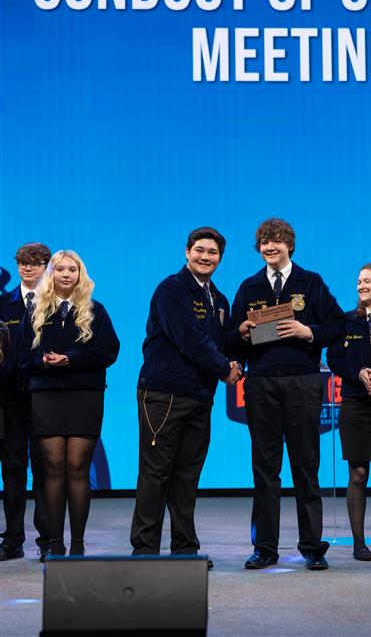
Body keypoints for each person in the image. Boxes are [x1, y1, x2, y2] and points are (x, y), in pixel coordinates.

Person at [231, 218, 345, 570]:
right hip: (261, 383)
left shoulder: (310, 282)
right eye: (264, 242)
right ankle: (264, 548)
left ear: (289, 245)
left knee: (305, 465)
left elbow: (337, 325)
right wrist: (242, 331)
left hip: (302, 382)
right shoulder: (249, 286)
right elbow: (230, 339)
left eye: (277, 241)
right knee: (264, 469)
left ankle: (312, 547)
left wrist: (307, 331)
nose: (270, 246)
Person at [130, 227, 241, 566]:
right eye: (200, 250)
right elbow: (189, 338)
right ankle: (144, 552)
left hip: (199, 397)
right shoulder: (172, 289)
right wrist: (224, 369)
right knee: (156, 474)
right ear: (187, 252)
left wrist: (241, 337)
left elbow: (220, 342)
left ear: (220, 258)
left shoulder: (219, 299)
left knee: (187, 477)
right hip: (164, 395)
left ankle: (185, 550)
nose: (205, 257)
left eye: (212, 252)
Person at [15, 250, 119, 558]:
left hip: (84, 397)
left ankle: (77, 545)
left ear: (80, 274)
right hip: (46, 397)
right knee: (53, 469)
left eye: (71, 269)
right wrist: (45, 362)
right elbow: (21, 356)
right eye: (59, 269)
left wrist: (71, 359)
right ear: (51, 274)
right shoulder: (35, 310)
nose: (65, 274)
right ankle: (54, 543)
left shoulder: (96, 310)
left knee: (77, 468)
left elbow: (109, 351)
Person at [327, 264, 371, 562]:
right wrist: (358, 373)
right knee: (357, 474)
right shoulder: (346, 321)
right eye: (358, 281)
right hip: (355, 403)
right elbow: (334, 358)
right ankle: (359, 544)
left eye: (367, 280)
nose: (361, 286)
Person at [0, 242, 51, 561]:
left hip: (46, 398)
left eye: (34, 262)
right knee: (12, 469)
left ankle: (48, 539)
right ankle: (13, 539)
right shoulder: (3, 304)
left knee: (46, 470)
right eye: (22, 263)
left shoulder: (57, 303)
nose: (27, 268)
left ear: (46, 265)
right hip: (9, 399)